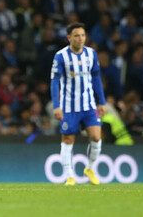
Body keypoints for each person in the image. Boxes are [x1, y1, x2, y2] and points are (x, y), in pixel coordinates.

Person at [50, 22, 106, 186]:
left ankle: (90, 168)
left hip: (89, 106)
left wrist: (101, 102)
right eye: (76, 35)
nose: (80, 39)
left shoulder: (91, 54)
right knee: (67, 140)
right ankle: (69, 176)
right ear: (69, 38)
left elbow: (96, 78)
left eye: (82, 35)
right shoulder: (61, 56)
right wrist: (56, 105)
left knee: (96, 137)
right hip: (69, 106)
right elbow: (54, 82)